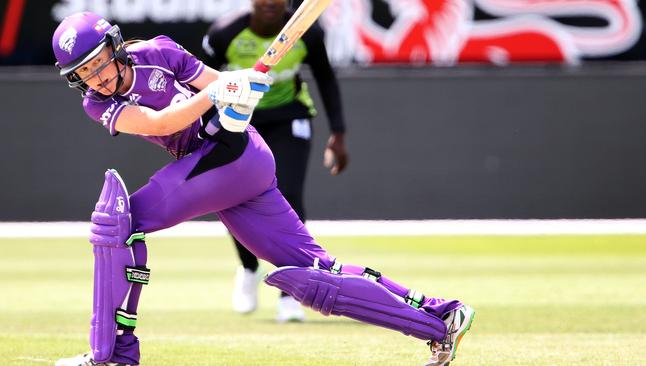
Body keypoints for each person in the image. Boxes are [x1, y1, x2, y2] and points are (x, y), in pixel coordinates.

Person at [52, 12, 474, 366]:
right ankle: (441, 320)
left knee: (120, 222)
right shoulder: (97, 104)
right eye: (84, 73)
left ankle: (112, 355)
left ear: (116, 46)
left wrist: (240, 94)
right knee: (318, 274)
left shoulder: (159, 53)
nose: (97, 78)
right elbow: (162, 124)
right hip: (222, 168)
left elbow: (227, 89)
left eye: (99, 63)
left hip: (233, 154)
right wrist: (221, 91)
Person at [202, 0, 349, 322]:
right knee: (235, 198)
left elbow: (325, 78)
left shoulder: (306, 33)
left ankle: (291, 291)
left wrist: (338, 132)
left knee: (290, 196)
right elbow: (199, 85)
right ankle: (249, 268)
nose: (270, 2)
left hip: (289, 117)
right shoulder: (225, 33)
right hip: (239, 120)